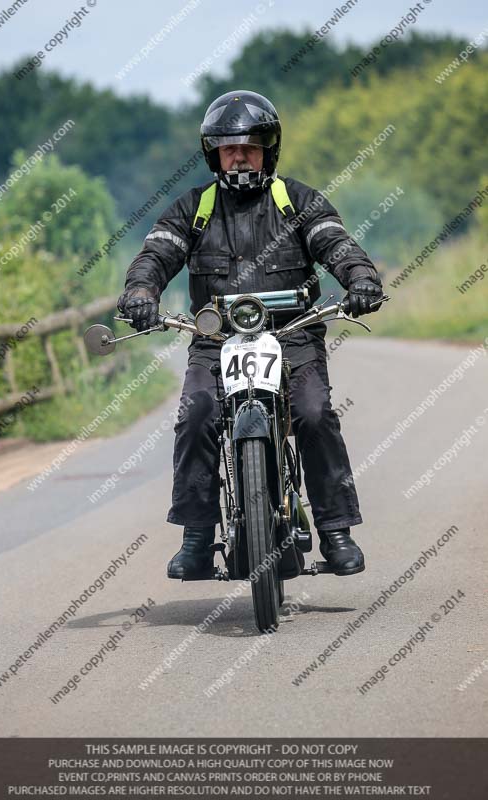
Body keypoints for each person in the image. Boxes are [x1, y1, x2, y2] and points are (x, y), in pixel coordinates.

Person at [117, 90, 383, 580]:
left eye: (251, 146)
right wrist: (140, 291)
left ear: (269, 150)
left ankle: (335, 529)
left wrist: (360, 279)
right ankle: (197, 536)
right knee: (196, 415)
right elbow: (155, 255)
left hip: (293, 337)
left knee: (314, 413)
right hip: (217, 343)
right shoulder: (193, 209)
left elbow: (336, 242)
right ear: (213, 153)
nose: (239, 155)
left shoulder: (298, 202)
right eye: (228, 147)